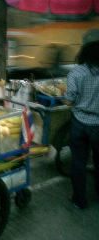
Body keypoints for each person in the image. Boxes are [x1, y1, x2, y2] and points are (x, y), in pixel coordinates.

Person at [65, 29, 99, 209]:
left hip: (80, 123)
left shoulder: (77, 73)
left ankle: (80, 199)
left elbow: (69, 101)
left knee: (78, 163)